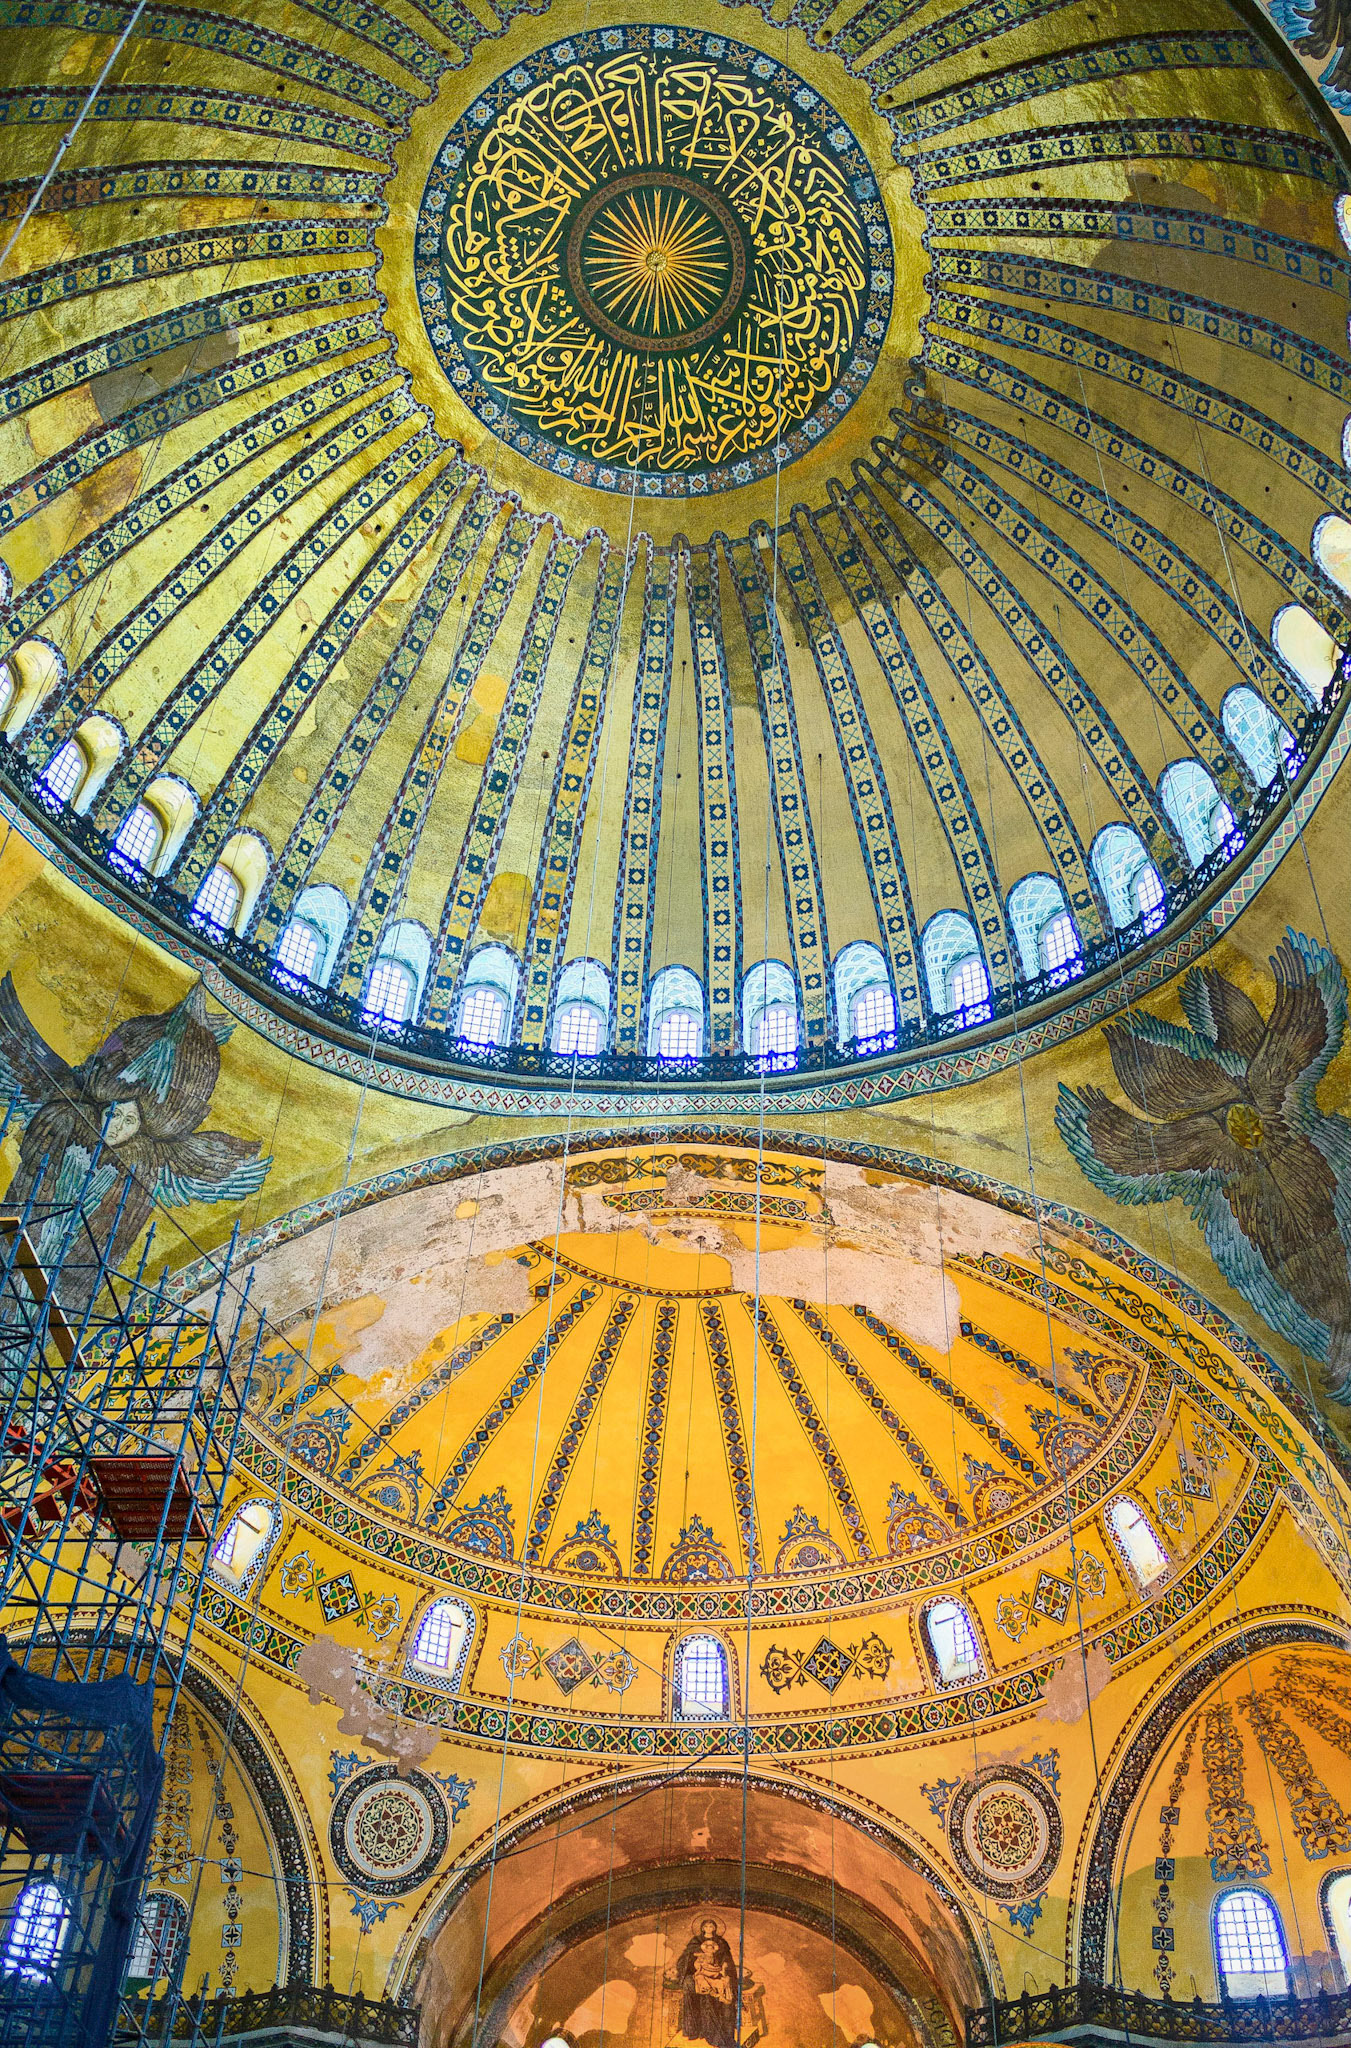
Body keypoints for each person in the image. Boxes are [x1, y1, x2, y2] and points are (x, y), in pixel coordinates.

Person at [673, 1918, 739, 2048]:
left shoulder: (721, 1942)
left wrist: (724, 1968)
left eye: (711, 1926)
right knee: (694, 1988)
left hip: (717, 1974)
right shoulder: (695, 1942)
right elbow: (686, 1960)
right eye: (706, 1926)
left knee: (724, 1993)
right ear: (702, 1928)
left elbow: (727, 1960)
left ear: (715, 1928)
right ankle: (700, 2030)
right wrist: (695, 1963)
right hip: (701, 1976)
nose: (709, 1928)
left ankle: (722, 2034)